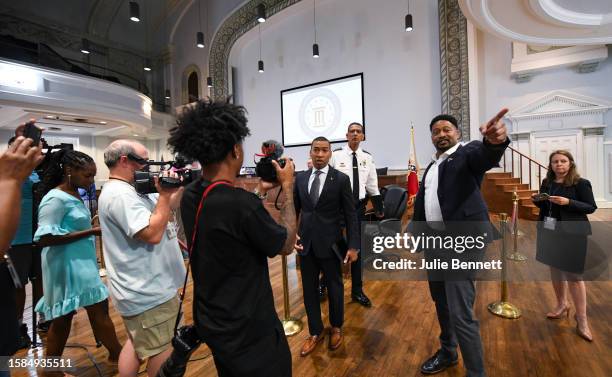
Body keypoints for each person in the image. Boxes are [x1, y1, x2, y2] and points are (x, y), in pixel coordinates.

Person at [168, 98, 297, 376]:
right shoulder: (240, 204)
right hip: (250, 328)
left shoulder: (189, 196)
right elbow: (286, 244)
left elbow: (228, 223)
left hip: (213, 321)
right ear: (236, 149)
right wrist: (287, 188)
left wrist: (259, 194)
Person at [410, 110, 509, 377]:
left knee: (460, 311)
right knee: (441, 302)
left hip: (461, 245)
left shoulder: (467, 154)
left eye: (447, 130)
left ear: (458, 134)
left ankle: (476, 372)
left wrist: (494, 141)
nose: (441, 134)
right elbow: (426, 203)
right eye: (436, 131)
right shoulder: (432, 166)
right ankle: (448, 351)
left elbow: (485, 155)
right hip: (434, 244)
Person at [98, 140, 186, 377]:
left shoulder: (131, 189)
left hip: (145, 287)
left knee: (136, 343)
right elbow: (152, 234)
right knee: (161, 349)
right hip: (148, 290)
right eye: (143, 161)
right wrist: (165, 196)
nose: (148, 166)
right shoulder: (120, 195)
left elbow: (164, 211)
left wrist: (175, 189)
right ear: (124, 160)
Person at [33, 149, 122, 372]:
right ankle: (116, 356)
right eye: (88, 175)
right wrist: (91, 232)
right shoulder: (54, 199)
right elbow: (45, 238)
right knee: (70, 317)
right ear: (69, 171)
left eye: (93, 175)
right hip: (65, 265)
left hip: (80, 263)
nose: (91, 181)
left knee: (84, 313)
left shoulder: (74, 194)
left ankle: (116, 355)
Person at [294, 136, 359, 356]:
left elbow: (351, 215)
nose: (320, 154)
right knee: (309, 290)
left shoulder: (340, 179)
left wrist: (353, 246)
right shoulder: (300, 179)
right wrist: (292, 235)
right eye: (316, 150)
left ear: (330, 153)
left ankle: (336, 327)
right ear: (310, 152)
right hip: (307, 245)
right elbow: (294, 210)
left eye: (324, 150)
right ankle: (315, 331)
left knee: (335, 288)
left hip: (332, 245)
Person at [532, 150, 596, 342]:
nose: (559, 164)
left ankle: (582, 319)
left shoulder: (581, 183)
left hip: (573, 233)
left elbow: (590, 207)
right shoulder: (547, 183)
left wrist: (568, 202)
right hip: (549, 231)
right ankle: (562, 305)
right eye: (555, 162)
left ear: (570, 163)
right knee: (555, 269)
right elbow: (545, 208)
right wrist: (538, 201)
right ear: (551, 165)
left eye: (563, 161)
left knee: (574, 275)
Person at [0, 135, 44, 377]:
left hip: (36, 234)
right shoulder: (9, 172)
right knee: (17, 286)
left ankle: (41, 320)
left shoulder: (36, 172)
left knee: (39, 281)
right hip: (14, 238)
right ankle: (18, 326)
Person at [330, 122, 384, 307]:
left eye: (358, 132)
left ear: (362, 136)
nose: (354, 134)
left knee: (358, 249)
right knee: (331, 246)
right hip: (336, 209)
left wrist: (378, 208)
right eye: (351, 131)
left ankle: (357, 291)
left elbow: (372, 184)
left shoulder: (367, 158)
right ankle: (324, 283)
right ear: (346, 135)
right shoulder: (335, 155)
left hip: (358, 208)